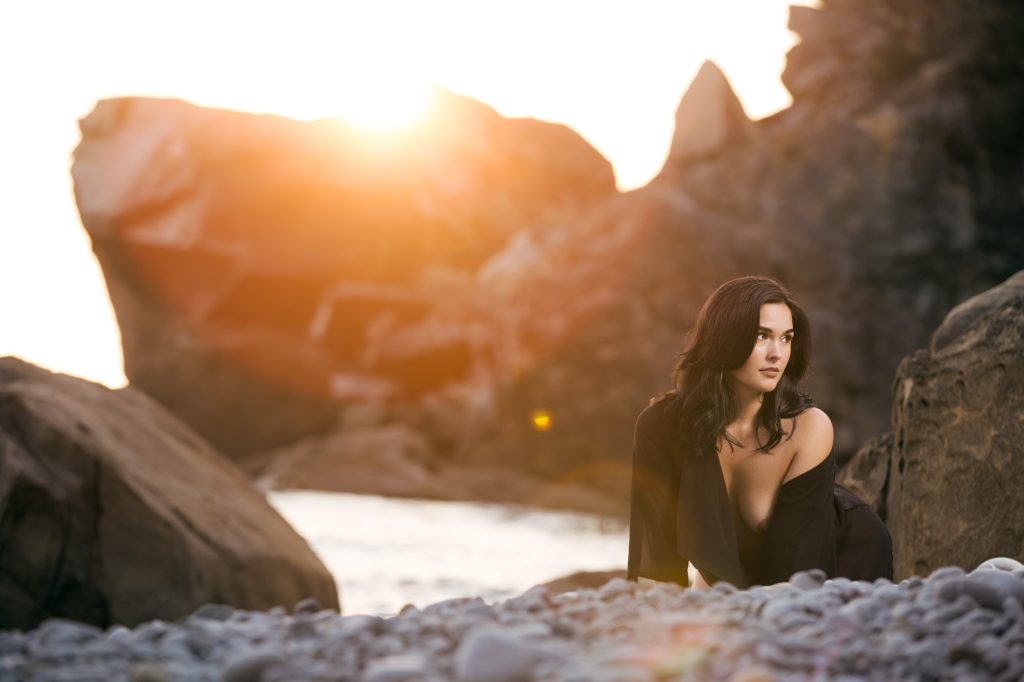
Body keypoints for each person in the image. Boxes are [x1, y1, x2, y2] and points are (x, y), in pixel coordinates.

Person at [626, 275, 892, 589]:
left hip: (842, 566)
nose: (777, 354)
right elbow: (656, 571)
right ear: (725, 339)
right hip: (747, 588)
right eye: (762, 336)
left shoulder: (807, 429)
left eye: (787, 338)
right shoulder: (661, 426)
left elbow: (795, 583)